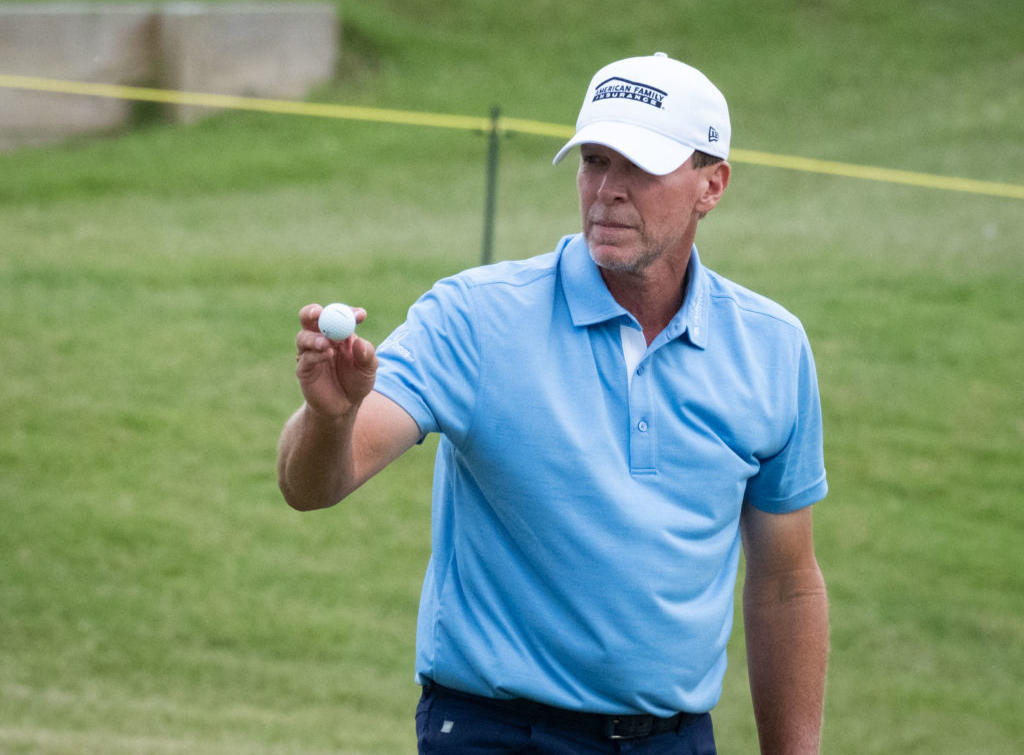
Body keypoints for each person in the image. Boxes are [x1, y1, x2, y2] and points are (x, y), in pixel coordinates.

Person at [278, 52, 829, 754]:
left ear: (711, 185)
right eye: (595, 160)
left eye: (640, 167)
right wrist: (331, 417)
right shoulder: (472, 317)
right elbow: (314, 487)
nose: (608, 191)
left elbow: (785, 583)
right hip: (498, 734)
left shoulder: (772, 348)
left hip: (676, 740)